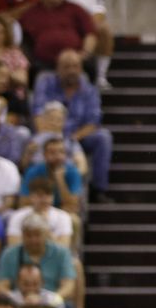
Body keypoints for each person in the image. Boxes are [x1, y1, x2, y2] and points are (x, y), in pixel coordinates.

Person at [32, 50, 112, 199]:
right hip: (48, 134)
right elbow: (37, 113)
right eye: (66, 66)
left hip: (78, 136)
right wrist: (51, 137)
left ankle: (98, 189)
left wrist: (72, 139)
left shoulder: (89, 90)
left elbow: (94, 122)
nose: (71, 71)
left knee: (103, 137)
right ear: (58, 68)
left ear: (81, 68)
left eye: (75, 66)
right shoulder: (46, 82)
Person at [60, 0, 114, 89]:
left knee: (104, 29)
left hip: (86, 30)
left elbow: (99, 14)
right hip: (60, 29)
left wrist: (85, 29)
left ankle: (100, 76)